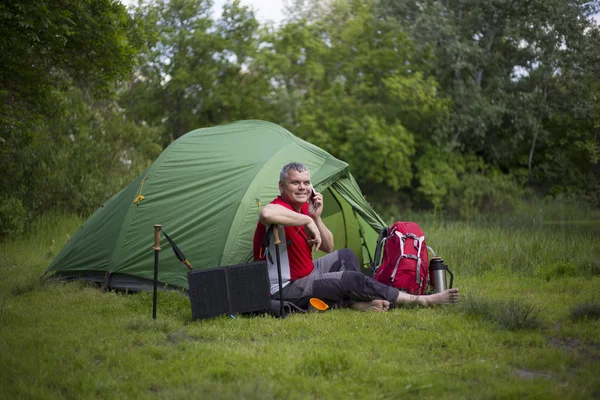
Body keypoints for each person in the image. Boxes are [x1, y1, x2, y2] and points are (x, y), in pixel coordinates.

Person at [253, 162, 459, 312]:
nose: (302, 187)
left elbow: (328, 246)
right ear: (281, 187)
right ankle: (419, 301)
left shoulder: (304, 210)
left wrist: (315, 218)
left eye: (306, 182)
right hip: (285, 288)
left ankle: (354, 303)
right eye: (295, 183)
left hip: (308, 274)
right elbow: (266, 214)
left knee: (346, 256)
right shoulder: (279, 208)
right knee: (350, 279)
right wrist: (306, 221)